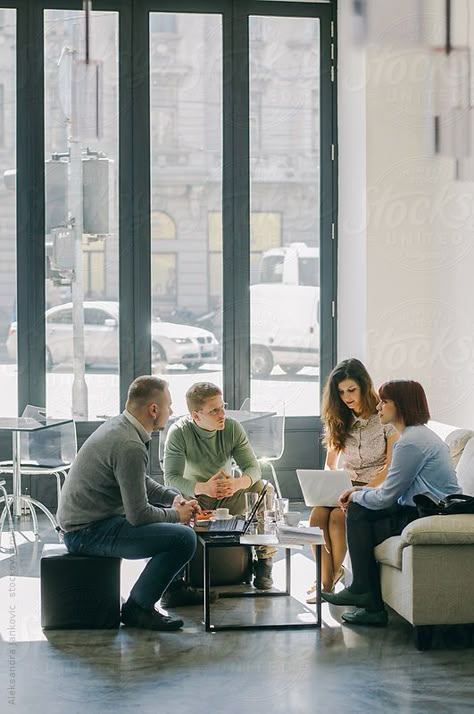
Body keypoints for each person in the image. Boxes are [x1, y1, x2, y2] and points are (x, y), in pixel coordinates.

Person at [57, 375, 206, 632]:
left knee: (174, 530)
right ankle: (138, 608)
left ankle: (172, 589)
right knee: (183, 538)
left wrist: (173, 498)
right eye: (169, 406)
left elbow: (140, 480)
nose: (171, 412)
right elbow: (138, 515)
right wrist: (176, 515)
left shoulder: (122, 427)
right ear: (153, 409)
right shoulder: (129, 445)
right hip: (86, 533)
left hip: (92, 523)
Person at [321, 379, 461, 626]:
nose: (379, 407)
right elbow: (392, 491)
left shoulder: (411, 442)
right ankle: (367, 598)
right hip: (418, 508)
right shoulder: (413, 436)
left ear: (402, 405)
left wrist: (355, 494)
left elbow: (386, 496)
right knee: (360, 514)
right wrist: (358, 493)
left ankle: (367, 597)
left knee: (358, 513)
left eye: (385, 402)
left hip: (428, 514)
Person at [164, 382, 276, 590]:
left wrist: (237, 483)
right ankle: (178, 576)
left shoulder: (232, 427)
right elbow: (170, 478)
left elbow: (253, 468)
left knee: (263, 489)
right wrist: (203, 488)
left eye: (222, 406)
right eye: (214, 410)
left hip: (227, 495)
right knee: (178, 497)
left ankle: (264, 562)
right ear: (196, 416)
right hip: (195, 497)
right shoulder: (179, 432)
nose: (222, 413)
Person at [307, 359, 398, 601]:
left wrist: (362, 491)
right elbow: (330, 463)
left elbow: (390, 467)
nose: (346, 397)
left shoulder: (384, 417)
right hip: (343, 486)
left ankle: (327, 583)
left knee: (337, 518)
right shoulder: (339, 417)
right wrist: (328, 485)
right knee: (316, 516)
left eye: (351, 390)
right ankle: (325, 580)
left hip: (372, 486)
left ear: (364, 386)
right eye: (341, 392)